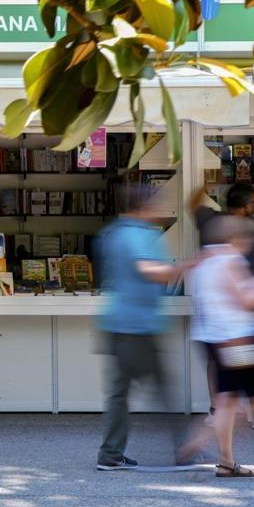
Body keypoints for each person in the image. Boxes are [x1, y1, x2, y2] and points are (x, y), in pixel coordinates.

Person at [93, 185, 194, 471]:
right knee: (164, 389)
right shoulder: (138, 234)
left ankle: (110, 454)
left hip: (116, 322)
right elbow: (150, 271)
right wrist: (187, 266)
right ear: (143, 207)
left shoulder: (111, 233)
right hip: (138, 327)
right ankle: (185, 450)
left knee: (118, 393)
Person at [178, 215, 254, 477]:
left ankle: (220, 457)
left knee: (228, 400)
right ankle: (206, 445)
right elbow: (247, 301)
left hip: (211, 338)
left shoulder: (203, 261)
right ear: (236, 238)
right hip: (238, 339)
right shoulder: (231, 261)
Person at [191, 183, 254, 429]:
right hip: (247, 307)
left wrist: (203, 182)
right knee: (252, 361)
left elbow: (192, 203)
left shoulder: (210, 221)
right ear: (249, 205)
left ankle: (217, 409)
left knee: (216, 363)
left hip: (212, 310)